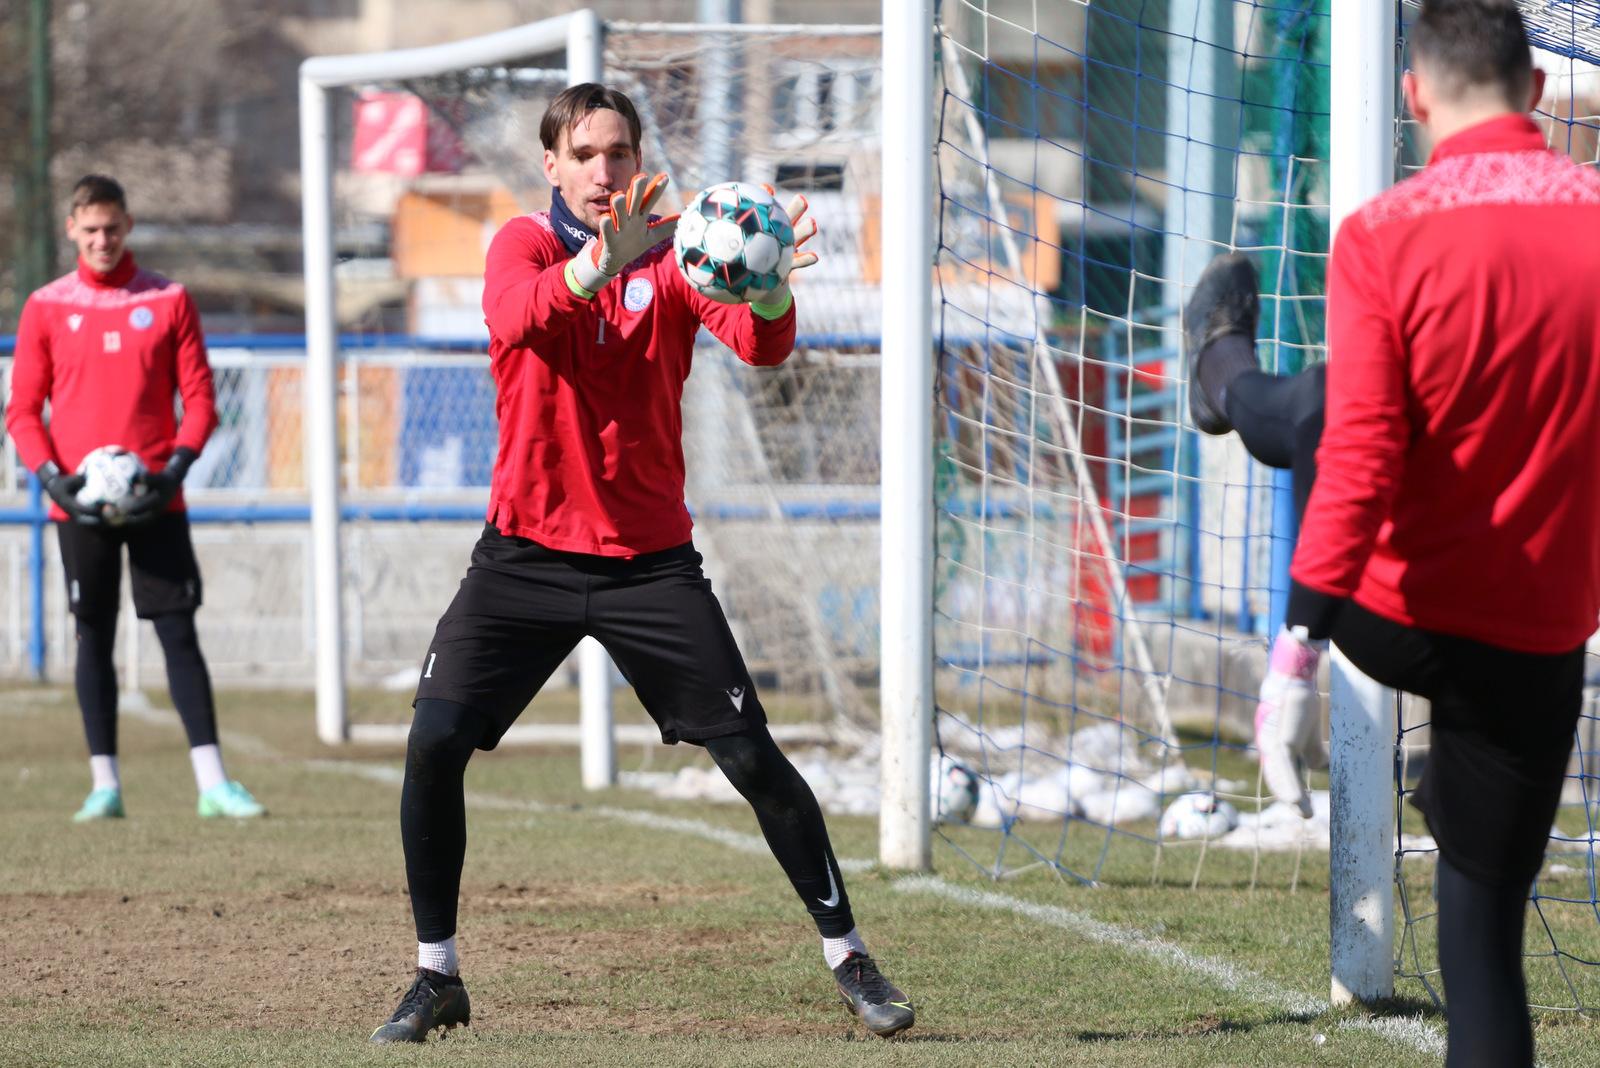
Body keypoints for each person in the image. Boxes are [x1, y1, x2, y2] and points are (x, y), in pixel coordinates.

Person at [369, 83, 914, 1044]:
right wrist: (593, 266)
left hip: (649, 566)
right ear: (551, 165)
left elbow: (762, 346)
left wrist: (772, 280)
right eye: (584, 154)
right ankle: (435, 975)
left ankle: (851, 956)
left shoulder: (677, 252)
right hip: (523, 559)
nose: (603, 170)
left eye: (618, 152)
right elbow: (518, 319)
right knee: (435, 742)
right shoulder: (523, 246)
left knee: (750, 757)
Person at [1184, 3, 1600, 1065]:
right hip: (1539, 636)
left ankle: (1223, 374)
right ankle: (1222, 372)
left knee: (1330, 410)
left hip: (1392, 615)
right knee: (1482, 944)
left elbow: (1362, 459)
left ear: (1412, 95)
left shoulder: (1384, 231)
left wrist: (1292, 657)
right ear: (1540, 92)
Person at [6, 174, 266, 823]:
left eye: (112, 228)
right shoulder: (44, 306)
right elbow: (22, 411)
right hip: (80, 507)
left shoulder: (169, 299)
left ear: (128, 226)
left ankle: (213, 784)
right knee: (93, 634)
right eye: (90, 230)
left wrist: (174, 469)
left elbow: (201, 397)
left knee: (177, 631)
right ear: (72, 230)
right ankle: (105, 785)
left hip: (157, 500)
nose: (102, 240)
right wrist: (52, 480)